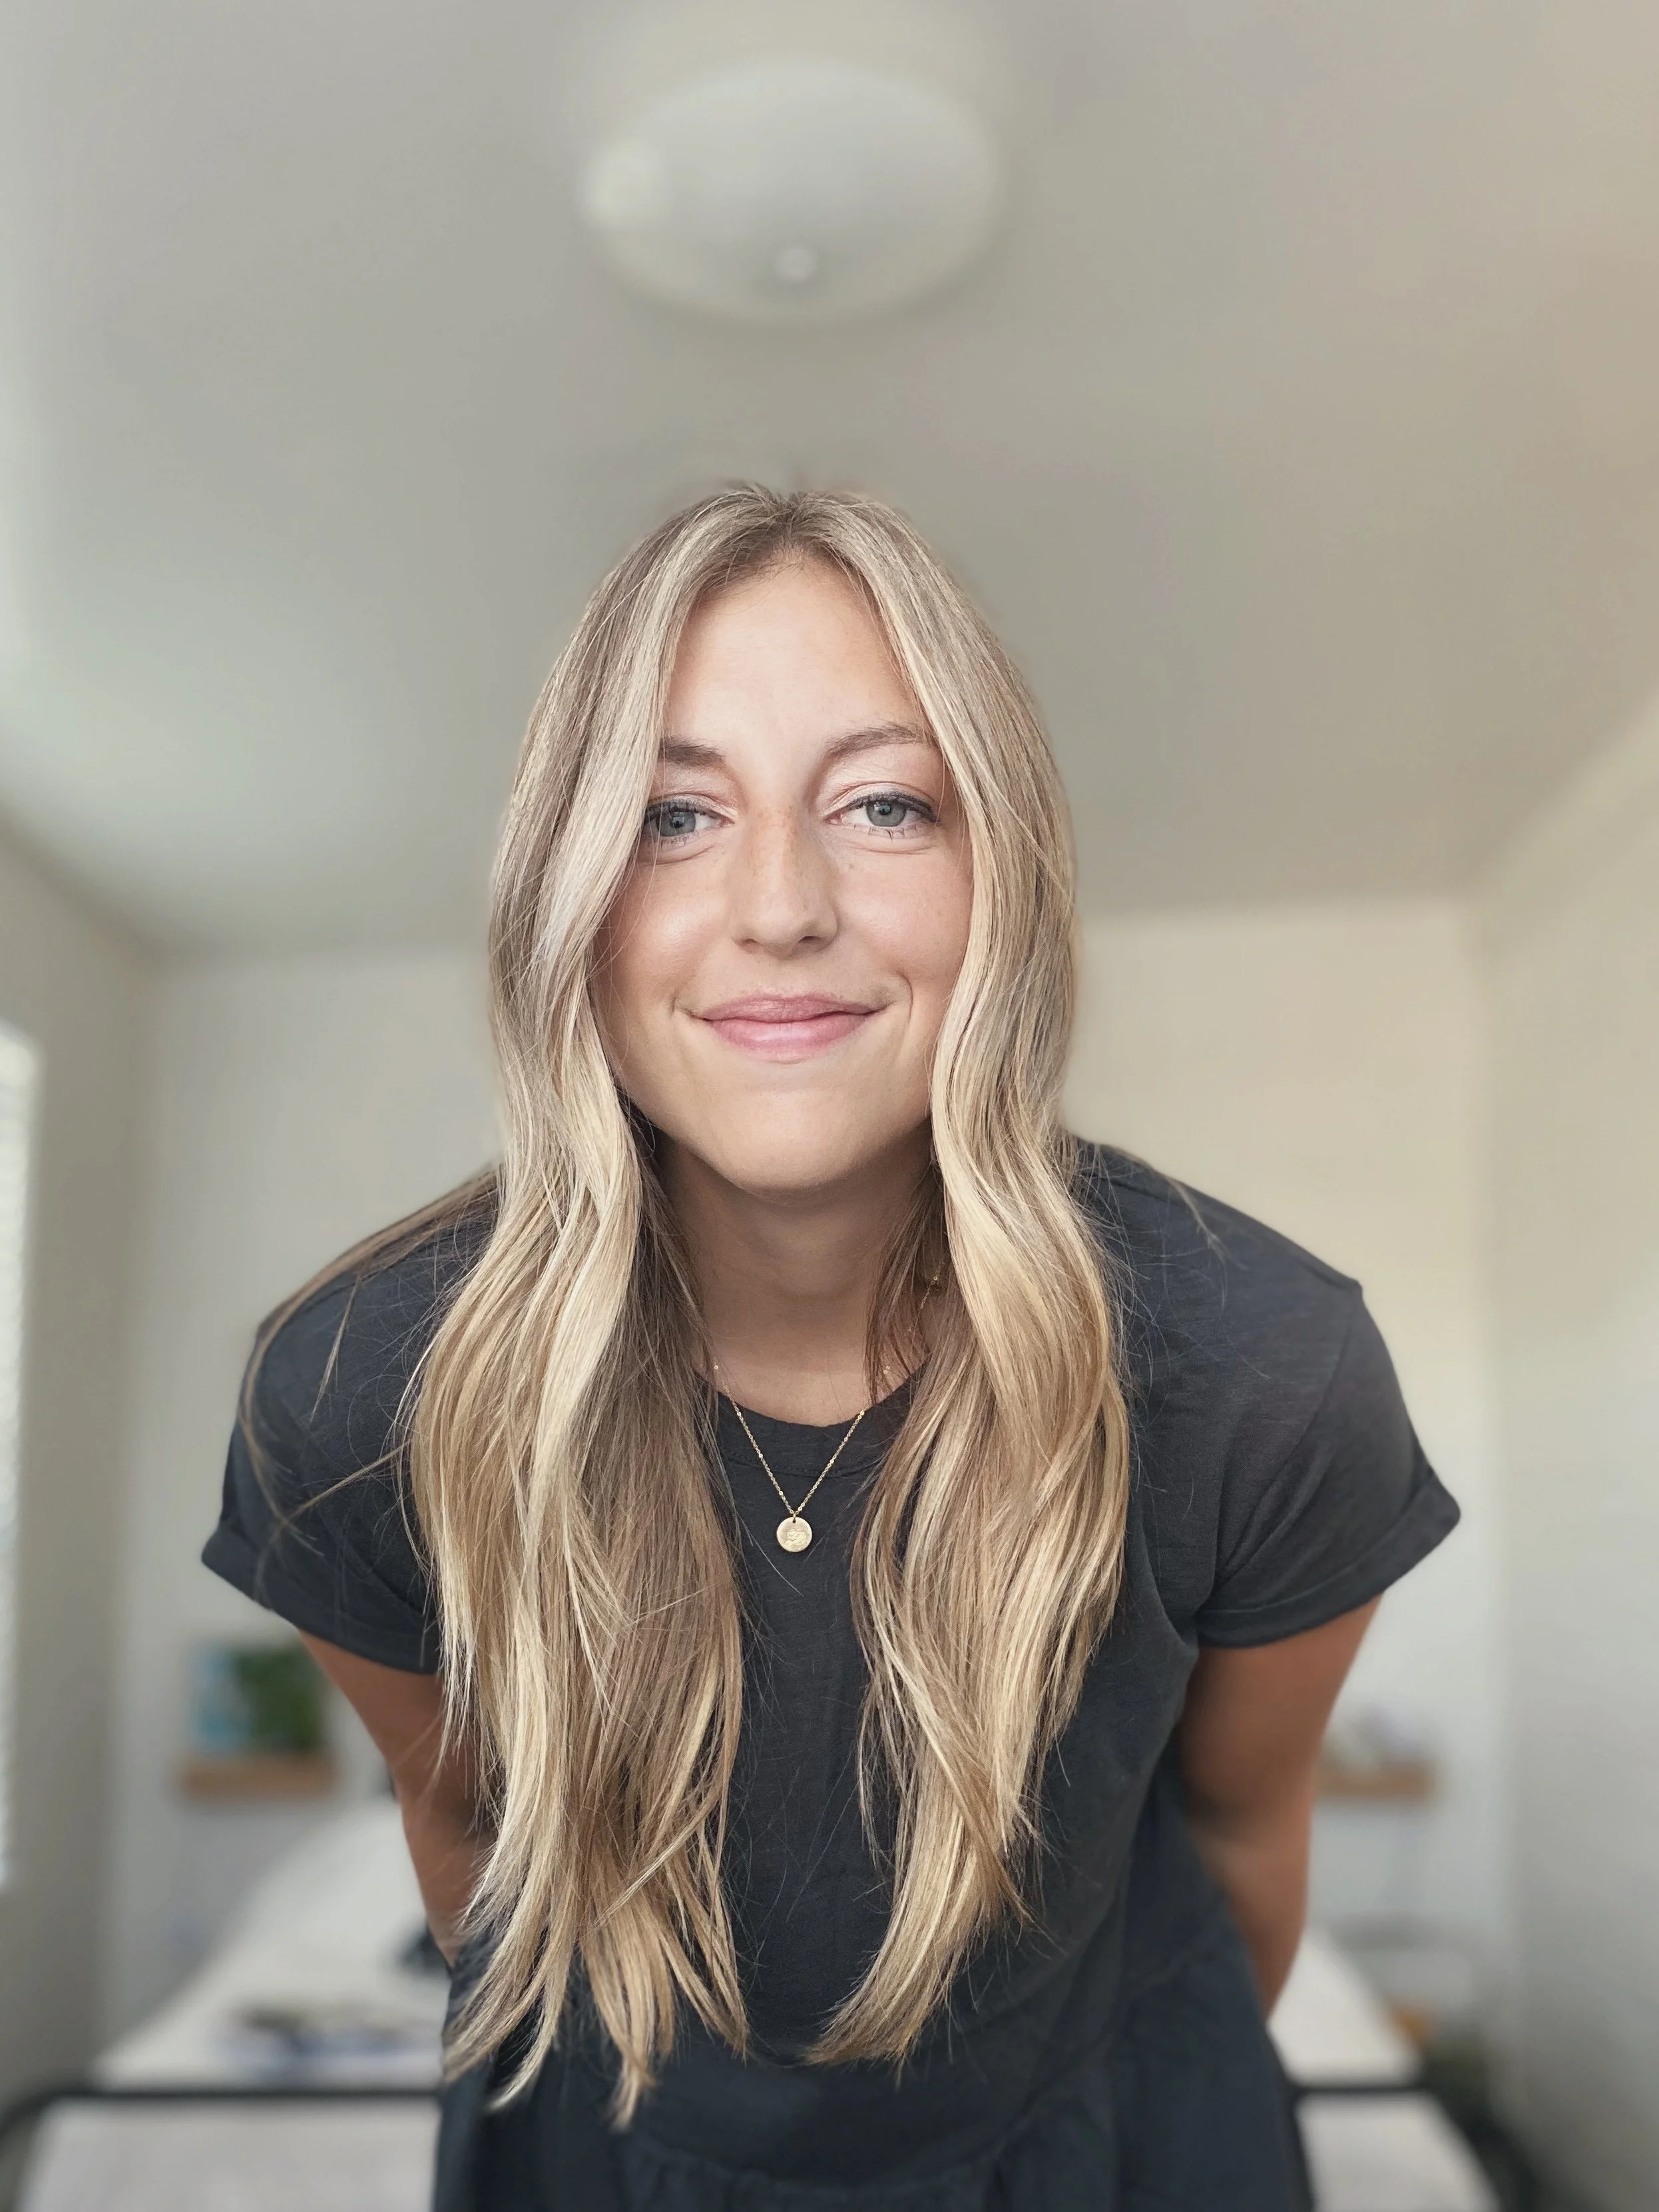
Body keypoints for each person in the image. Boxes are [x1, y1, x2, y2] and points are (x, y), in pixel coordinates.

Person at [202, 487, 1459, 2211]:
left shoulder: (1266, 1371)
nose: (780, 905)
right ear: (563, 895)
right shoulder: (358, 1395)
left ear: (1000, 875)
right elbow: (467, 1833)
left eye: (884, 804)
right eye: (671, 814)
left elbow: (1243, 1834)